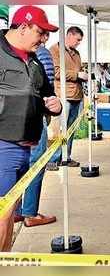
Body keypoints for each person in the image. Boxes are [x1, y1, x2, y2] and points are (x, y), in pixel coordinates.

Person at [0, 5, 61, 251]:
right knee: (3, 215)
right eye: (41, 32)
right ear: (23, 27)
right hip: (4, 145)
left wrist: (54, 107)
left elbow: (47, 95)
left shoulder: (34, 61)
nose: (45, 38)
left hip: (26, 146)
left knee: (9, 211)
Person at [14, 30, 58, 227]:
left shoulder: (26, 55)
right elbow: (45, 87)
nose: (43, 38)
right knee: (36, 162)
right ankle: (30, 212)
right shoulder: (40, 54)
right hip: (33, 115)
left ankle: (16, 210)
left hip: (18, 119)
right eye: (41, 33)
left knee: (21, 164)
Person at [47, 26, 88, 171]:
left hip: (76, 95)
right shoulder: (55, 50)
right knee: (59, 129)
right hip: (63, 95)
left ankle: (66, 156)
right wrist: (77, 75)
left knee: (70, 130)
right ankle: (52, 159)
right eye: (77, 40)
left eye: (80, 41)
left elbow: (79, 70)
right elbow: (56, 71)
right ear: (69, 35)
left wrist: (83, 75)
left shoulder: (76, 54)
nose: (78, 43)